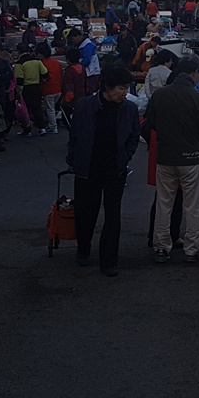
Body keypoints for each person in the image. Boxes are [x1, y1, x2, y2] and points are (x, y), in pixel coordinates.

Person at [67, 64, 141, 276]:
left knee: (113, 216)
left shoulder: (129, 109)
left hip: (115, 169)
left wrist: (126, 156)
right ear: (107, 87)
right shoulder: (84, 106)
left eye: (126, 88)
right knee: (85, 214)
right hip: (87, 169)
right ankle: (83, 250)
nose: (124, 92)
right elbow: (74, 136)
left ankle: (109, 261)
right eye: (120, 88)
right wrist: (72, 159)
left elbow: (134, 135)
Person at [143, 54, 199, 263]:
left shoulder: (160, 95)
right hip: (191, 158)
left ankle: (161, 247)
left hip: (165, 156)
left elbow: (150, 123)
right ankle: (191, 249)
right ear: (193, 73)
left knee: (164, 203)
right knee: (193, 205)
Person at [16, 47, 50, 136]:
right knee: (37, 108)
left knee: (25, 110)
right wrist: (44, 79)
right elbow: (45, 72)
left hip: (26, 88)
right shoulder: (37, 61)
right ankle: (42, 127)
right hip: (36, 86)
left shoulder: (19, 63)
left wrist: (19, 91)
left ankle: (27, 130)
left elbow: (20, 79)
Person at [37, 43, 63, 134]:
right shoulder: (57, 63)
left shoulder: (41, 64)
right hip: (58, 88)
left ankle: (53, 127)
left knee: (50, 109)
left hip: (48, 89)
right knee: (53, 108)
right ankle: (53, 124)